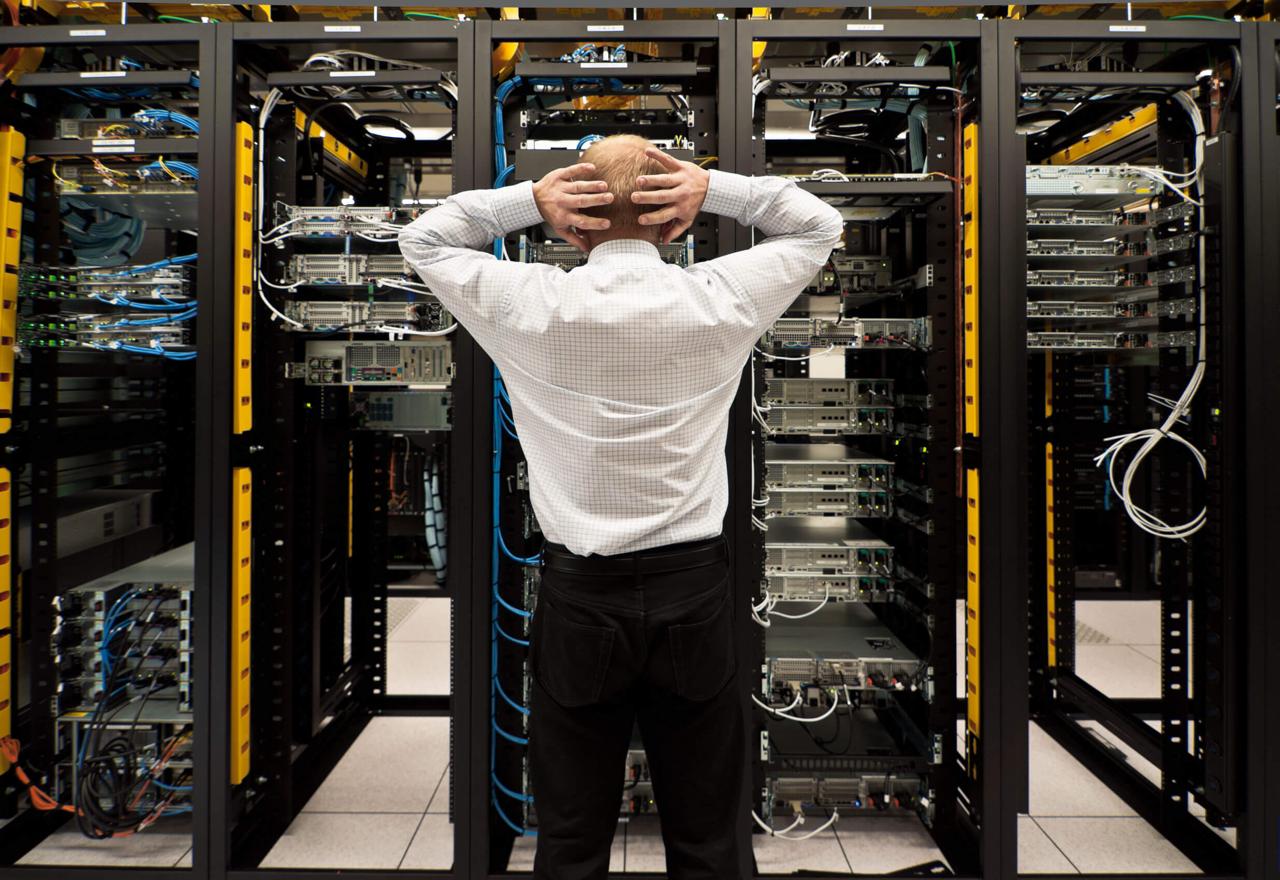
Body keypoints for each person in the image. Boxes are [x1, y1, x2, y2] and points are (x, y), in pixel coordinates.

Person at [399, 134, 842, 880]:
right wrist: (717, 187)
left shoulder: (529, 300)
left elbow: (426, 237)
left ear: (575, 223)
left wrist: (527, 202)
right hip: (695, 594)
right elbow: (818, 224)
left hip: (580, 598)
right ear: (677, 223)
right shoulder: (720, 296)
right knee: (708, 837)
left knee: (571, 838)